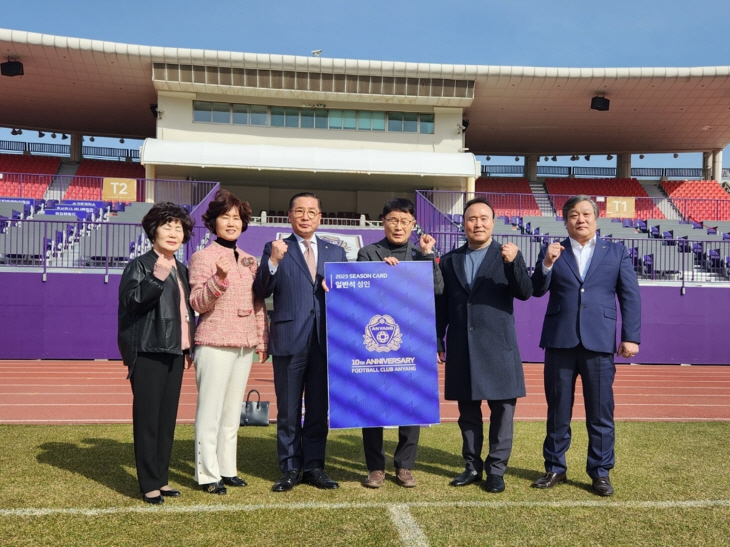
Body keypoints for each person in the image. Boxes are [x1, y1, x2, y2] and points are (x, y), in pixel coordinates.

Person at [530, 195, 641, 497]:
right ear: (565, 221)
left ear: (596, 218)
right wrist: (546, 263)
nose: (581, 219)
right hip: (560, 340)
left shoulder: (616, 252)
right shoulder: (552, 250)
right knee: (557, 411)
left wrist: (631, 336)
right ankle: (555, 467)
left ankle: (600, 472)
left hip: (600, 342)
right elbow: (537, 290)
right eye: (574, 215)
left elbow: (630, 296)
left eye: (587, 213)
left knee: (601, 412)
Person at [436, 196, 532, 493]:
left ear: (493, 222)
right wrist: (439, 338)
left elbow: (525, 292)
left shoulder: (508, 254)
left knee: (502, 411)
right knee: (467, 412)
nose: (477, 223)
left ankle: (496, 470)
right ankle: (472, 465)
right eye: (471, 218)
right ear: (464, 224)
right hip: (463, 345)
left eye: (483, 218)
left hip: (498, 346)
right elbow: (442, 304)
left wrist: (514, 262)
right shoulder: (450, 260)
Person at [253, 192, 348, 492]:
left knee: (319, 410)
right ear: (289, 216)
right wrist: (273, 261)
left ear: (321, 217)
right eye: (299, 211)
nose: (305, 216)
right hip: (289, 339)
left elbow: (349, 295)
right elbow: (262, 290)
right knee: (289, 410)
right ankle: (290, 468)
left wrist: (338, 289)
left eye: (311, 211)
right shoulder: (276, 248)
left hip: (324, 341)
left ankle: (315, 467)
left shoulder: (337, 253)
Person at [357, 197, 444, 489]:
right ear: (383, 221)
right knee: (372, 404)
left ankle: (405, 466)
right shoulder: (368, 253)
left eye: (405, 221)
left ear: (413, 225)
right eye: (393, 220)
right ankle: (376, 468)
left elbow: (437, 289)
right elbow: (359, 293)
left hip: (413, 341)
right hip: (375, 340)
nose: (399, 226)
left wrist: (429, 254)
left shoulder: (421, 255)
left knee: (411, 403)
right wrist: (381, 273)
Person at [188, 189, 268, 495]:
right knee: (210, 412)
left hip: (245, 344)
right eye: (225, 217)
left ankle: (227, 468)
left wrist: (260, 339)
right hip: (214, 342)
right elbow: (197, 303)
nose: (232, 222)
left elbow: (258, 302)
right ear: (213, 222)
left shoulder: (250, 260)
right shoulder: (203, 257)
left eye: (237, 217)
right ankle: (208, 474)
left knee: (232, 412)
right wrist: (218, 279)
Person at [118, 202, 195, 504]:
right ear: (154, 231)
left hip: (175, 350)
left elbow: (186, 313)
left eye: (178, 227)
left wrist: (190, 347)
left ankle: (161, 479)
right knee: (148, 419)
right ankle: (148, 483)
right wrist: (155, 278)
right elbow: (132, 303)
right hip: (149, 349)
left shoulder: (182, 268)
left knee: (166, 420)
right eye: (167, 226)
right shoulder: (140, 265)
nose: (174, 232)